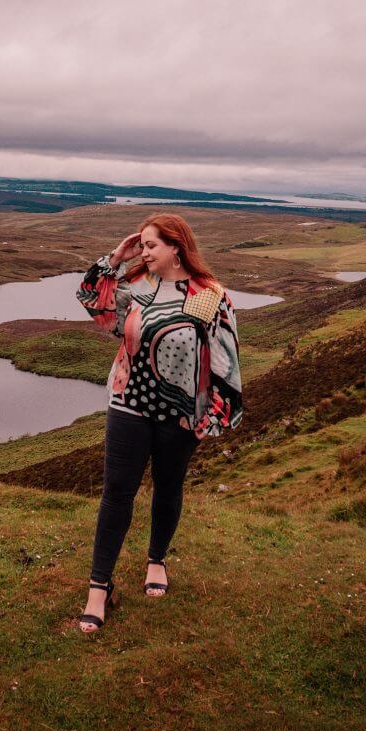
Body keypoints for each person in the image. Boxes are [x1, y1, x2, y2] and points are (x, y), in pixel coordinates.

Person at [73, 212, 243, 633]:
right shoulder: (137, 287)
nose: (144, 252)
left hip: (181, 412)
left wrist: (212, 416)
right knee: (117, 493)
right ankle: (99, 588)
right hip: (128, 402)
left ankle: (156, 561)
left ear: (177, 248)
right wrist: (117, 256)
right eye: (143, 245)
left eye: (151, 245)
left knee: (168, 488)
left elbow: (225, 358)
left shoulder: (209, 296)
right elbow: (93, 299)